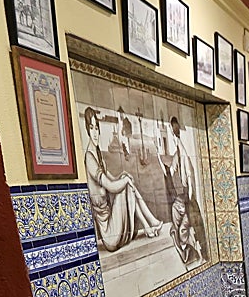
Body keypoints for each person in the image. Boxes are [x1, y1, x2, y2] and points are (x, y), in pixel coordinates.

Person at [83, 107, 165, 253]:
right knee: (126, 185)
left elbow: (112, 178)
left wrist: (124, 176)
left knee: (125, 180)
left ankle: (149, 224)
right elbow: (110, 186)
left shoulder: (98, 155)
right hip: (109, 234)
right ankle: (149, 224)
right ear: (87, 130)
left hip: (116, 226)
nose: (95, 133)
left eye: (97, 128)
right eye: (91, 128)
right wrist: (126, 181)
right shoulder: (90, 157)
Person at [162, 116, 203, 265]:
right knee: (177, 222)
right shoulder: (178, 152)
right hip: (183, 200)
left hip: (188, 201)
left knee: (182, 229)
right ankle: (187, 251)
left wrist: (189, 197)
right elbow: (172, 169)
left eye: (174, 134)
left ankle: (190, 252)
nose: (173, 137)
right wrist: (166, 169)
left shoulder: (183, 152)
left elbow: (189, 178)